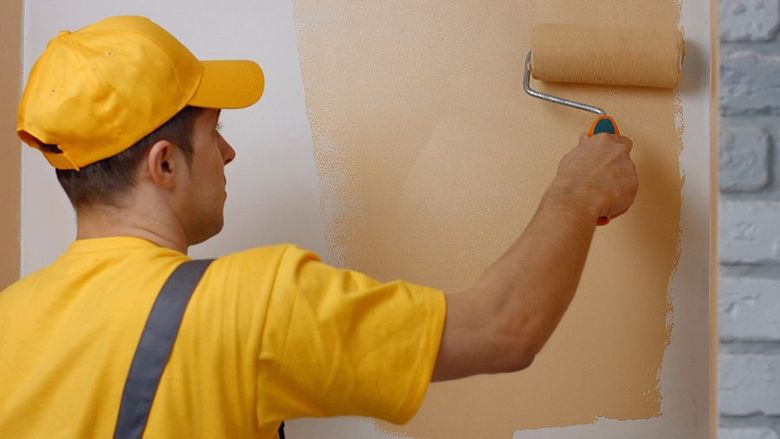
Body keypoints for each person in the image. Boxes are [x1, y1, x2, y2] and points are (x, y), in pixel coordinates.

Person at [0, 15, 638, 439]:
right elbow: (504, 330)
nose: (227, 154)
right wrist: (576, 193)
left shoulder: (10, 323)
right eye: (213, 132)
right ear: (163, 164)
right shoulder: (250, 305)